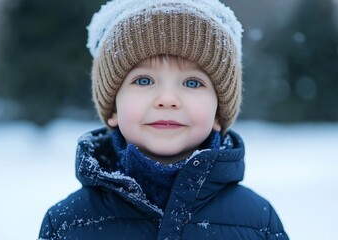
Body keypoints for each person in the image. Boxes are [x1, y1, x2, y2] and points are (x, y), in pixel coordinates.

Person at [38, 0, 289, 239]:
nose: (167, 99)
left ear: (218, 114)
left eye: (192, 83)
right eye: (144, 80)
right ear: (113, 109)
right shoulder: (67, 223)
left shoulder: (258, 222)